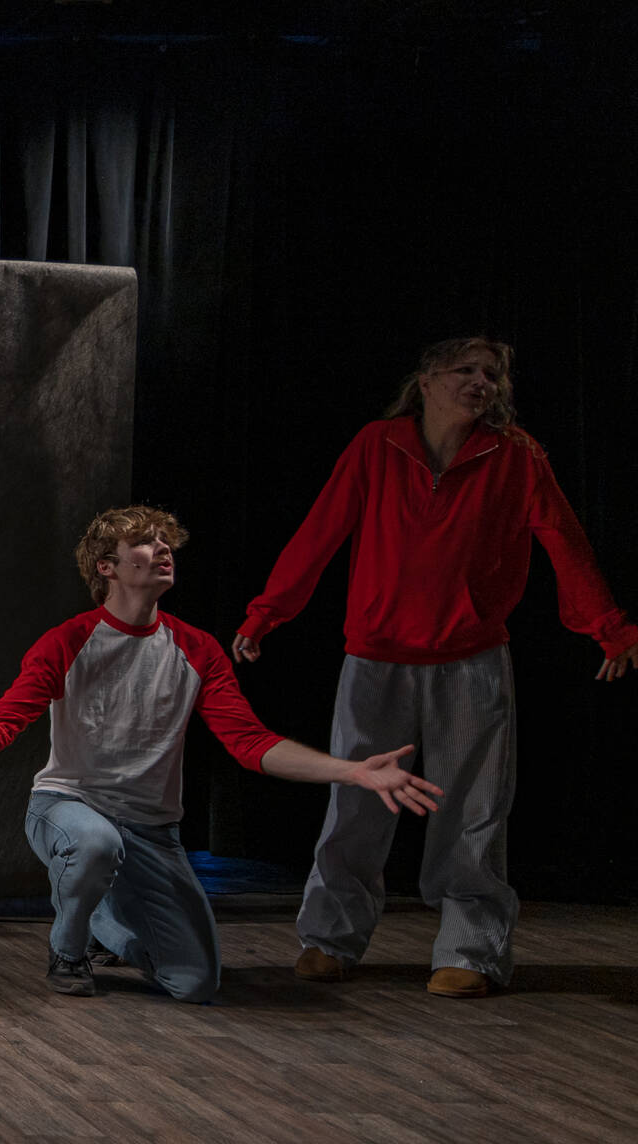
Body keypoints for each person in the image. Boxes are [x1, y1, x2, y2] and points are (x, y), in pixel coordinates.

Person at [0, 506, 441, 1000]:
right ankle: (68, 949)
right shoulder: (70, 641)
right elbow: (3, 721)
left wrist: (352, 771)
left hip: (152, 830)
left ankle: (103, 925)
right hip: (69, 807)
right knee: (95, 844)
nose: (162, 550)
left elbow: (250, 743)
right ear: (106, 567)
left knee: (195, 982)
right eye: (145, 542)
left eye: (165, 542)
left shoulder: (198, 650)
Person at [233, 337, 638, 997]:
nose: (481, 382)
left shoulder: (516, 454)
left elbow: (565, 540)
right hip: (375, 654)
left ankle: (470, 949)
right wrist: (267, 612)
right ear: (426, 381)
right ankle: (330, 937)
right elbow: (321, 530)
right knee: (356, 800)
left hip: (472, 657)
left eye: (491, 374)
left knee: (475, 808)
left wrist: (608, 626)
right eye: (465, 370)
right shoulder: (378, 445)